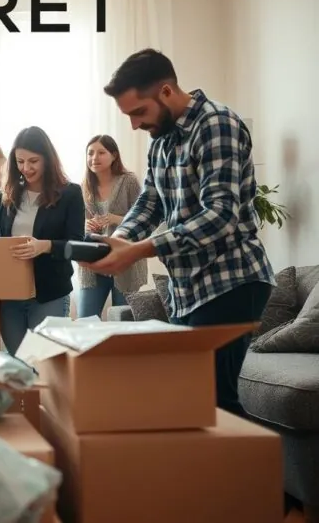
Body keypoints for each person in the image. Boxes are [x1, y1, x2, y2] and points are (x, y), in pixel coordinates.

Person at [82, 48, 275, 417]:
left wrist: (139, 250)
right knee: (192, 400)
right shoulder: (161, 139)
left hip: (231, 281)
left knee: (215, 403)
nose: (134, 125)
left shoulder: (216, 125)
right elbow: (150, 202)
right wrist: (120, 240)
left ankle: (257, 456)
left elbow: (220, 215)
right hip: (188, 289)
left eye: (139, 112)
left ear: (166, 91)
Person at [0, 126, 85, 355]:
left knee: (44, 362)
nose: (26, 168)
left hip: (49, 292)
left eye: (33, 161)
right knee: (18, 361)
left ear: (47, 159)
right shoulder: (9, 191)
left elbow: (77, 244)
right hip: (10, 292)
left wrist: (44, 246)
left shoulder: (70, 193)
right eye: (20, 161)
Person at [76, 135, 147, 318]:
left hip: (124, 263)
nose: (94, 158)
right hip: (93, 263)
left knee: (123, 321)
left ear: (114, 155)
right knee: (85, 320)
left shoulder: (128, 181)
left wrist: (115, 219)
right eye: (90, 153)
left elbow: (144, 219)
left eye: (101, 152)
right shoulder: (83, 186)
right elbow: (76, 224)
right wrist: (85, 225)